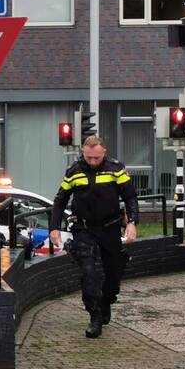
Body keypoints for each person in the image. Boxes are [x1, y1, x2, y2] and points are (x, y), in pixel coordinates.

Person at [49, 135, 139, 338]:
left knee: (113, 274)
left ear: (103, 153)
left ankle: (107, 301)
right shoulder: (74, 171)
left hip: (110, 228)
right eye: (88, 157)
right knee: (89, 274)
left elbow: (130, 197)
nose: (92, 162)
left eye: (96, 158)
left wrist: (132, 223)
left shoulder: (116, 169)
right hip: (84, 229)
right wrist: (54, 228)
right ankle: (94, 316)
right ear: (83, 152)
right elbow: (60, 200)